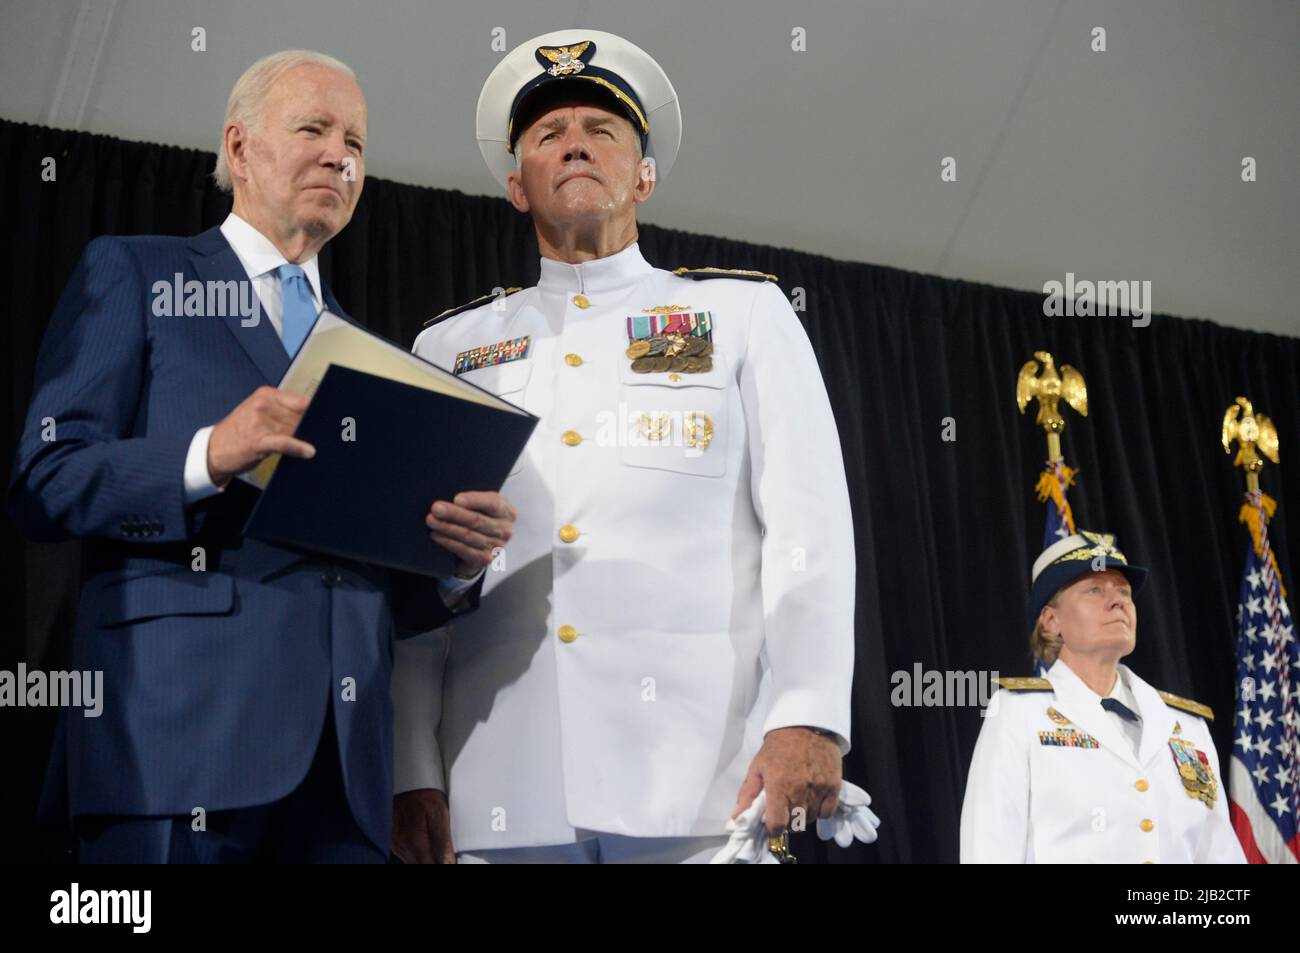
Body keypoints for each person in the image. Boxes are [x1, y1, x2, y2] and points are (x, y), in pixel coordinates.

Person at [7, 49, 515, 863]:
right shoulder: (135, 272)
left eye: (354, 141)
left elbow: (383, 582)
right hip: (175, 747)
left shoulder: (374, 358)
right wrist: (210, 453)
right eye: (312, 128)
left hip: (346, 776)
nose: (339, 155)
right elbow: (43, 479)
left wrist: (453, 561)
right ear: (238, 149)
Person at [392, 29, 856, 863]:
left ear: (643, 174)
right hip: (501, 784)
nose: (574, 142)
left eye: (601, 130)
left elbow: (808, 533)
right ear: (515, 187)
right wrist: (409, 769)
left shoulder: (742, 316)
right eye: (548, 134)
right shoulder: (449, 350)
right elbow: (413, 588)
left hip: (701, 781)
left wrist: (810, 712)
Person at [959, 530, 1246, 863]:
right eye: (1094, 590)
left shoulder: (1186, 724)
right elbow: (989, 850)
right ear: (1052, 621)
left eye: (1123, 591)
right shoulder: (1018, 713)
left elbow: (1219, 854)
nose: (1118, 601)